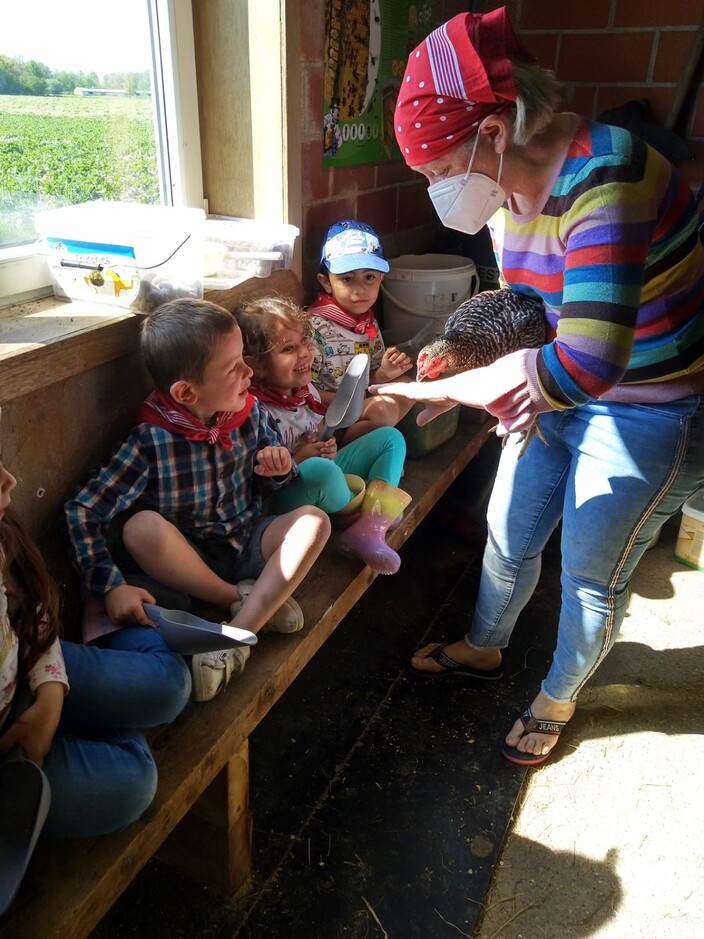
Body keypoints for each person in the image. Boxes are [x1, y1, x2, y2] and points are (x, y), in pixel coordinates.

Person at [372, 7, 704, 764]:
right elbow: (532, 305)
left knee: (593, 569)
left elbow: (590, 361)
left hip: (655, 404)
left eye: (433, 172)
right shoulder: (503, 194)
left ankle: (557, 696)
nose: (434, 191)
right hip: (565, 384)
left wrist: (451, 393)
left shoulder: (605, 175)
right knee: (510, 528)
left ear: (493, 133)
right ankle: (486, 645)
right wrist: (461, 349)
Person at [64, 300, 331, 703]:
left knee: (314, 521)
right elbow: (81, 508)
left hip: (248, 539)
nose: (248, 372)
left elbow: (278, 486)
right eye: (234, 367)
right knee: (141, 527)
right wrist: (108, 585)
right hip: (190, 564)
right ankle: (240, 599)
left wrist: (278, 468)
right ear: (187, 392)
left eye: (245, 359)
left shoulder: (250, 413)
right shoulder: (149, 441)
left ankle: (237, 638)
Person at [0, 418, 191, 839]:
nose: (9, 481)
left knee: (172, 684)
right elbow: (81, 508)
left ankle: (104, 622)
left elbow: (31, 614)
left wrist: (50, 697)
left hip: (27, 671)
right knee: (133, 782)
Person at [235, 295, 411, 574]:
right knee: (321, 470)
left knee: (390, 438)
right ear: (254, 365)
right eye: (289, 349)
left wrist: (325, 443)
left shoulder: (305, 391)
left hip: (326, 476)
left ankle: (370, 525)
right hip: (288, 500)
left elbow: (319, 430)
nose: (305, 353)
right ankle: (362, 514)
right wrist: (299, 458)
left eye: (305, 342)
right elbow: (256, 482)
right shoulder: (256, 411)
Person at [310, 219, 416, 442]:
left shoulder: (366, 321)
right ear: (326, 282)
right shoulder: (314, 328)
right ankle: (348, 447)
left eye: (369, 277)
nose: (360, 289)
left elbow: (370, 379)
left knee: (408, 387)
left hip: (359, 405)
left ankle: (372, 440)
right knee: (381, 411)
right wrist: (345, 402)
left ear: (381, 277)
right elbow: (303, 390)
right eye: (347, 279)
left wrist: (384, 374)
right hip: (325, 415)